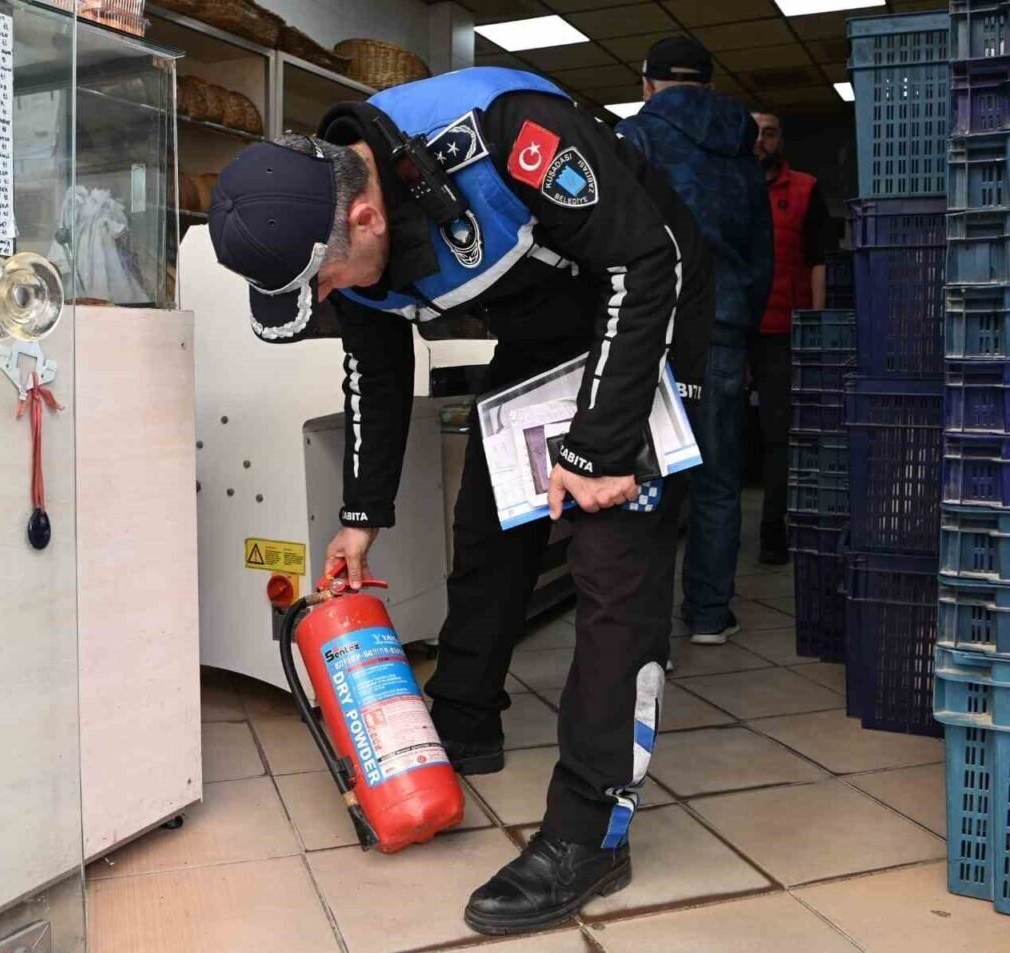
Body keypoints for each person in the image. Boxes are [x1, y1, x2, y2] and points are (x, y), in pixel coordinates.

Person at [207, 65, 714, 935]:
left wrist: (599, 447)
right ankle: (465, 719)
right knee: (486, 524)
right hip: (543, 325)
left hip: (645, 295)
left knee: (611, 564)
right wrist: (362, 514)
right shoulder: (344, 223)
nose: (329, 298)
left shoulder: (508, 136)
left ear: (364, 217)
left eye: (323, 283)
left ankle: (591, 831)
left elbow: (646, 258)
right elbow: (372, 358)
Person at [615, 36, 773, 646]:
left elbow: (616, 237)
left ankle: (646, 635)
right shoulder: (743, 148)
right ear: (708, 85)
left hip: (652, 327)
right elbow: (762, 249)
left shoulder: (638, 138)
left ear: (647, 82)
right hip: (726, 327)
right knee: (717, 474)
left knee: (646, 477)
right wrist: (745, 326)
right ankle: (709, 614)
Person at [752, 111, 833, 564]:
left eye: (769, 133)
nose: (761, 140)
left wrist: (814, 324)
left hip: (783, 331)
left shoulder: (805, 188)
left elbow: (816, 260)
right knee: (717, 435)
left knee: (778, 436)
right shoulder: (729, 188)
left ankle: (771, 531)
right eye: (755, 133)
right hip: (731, 329)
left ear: (781, 139)